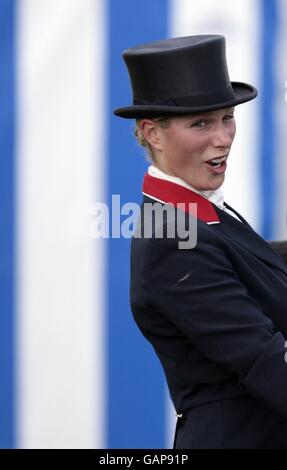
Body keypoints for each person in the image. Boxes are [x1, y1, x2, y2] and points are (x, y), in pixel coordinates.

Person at [114, 35, 287, 449]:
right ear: (151, 133)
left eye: (227, 117)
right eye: (201, 123)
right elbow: (267, 363)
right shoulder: (173, 237)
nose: (223, 137)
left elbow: (251, 263)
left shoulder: (199, 216)